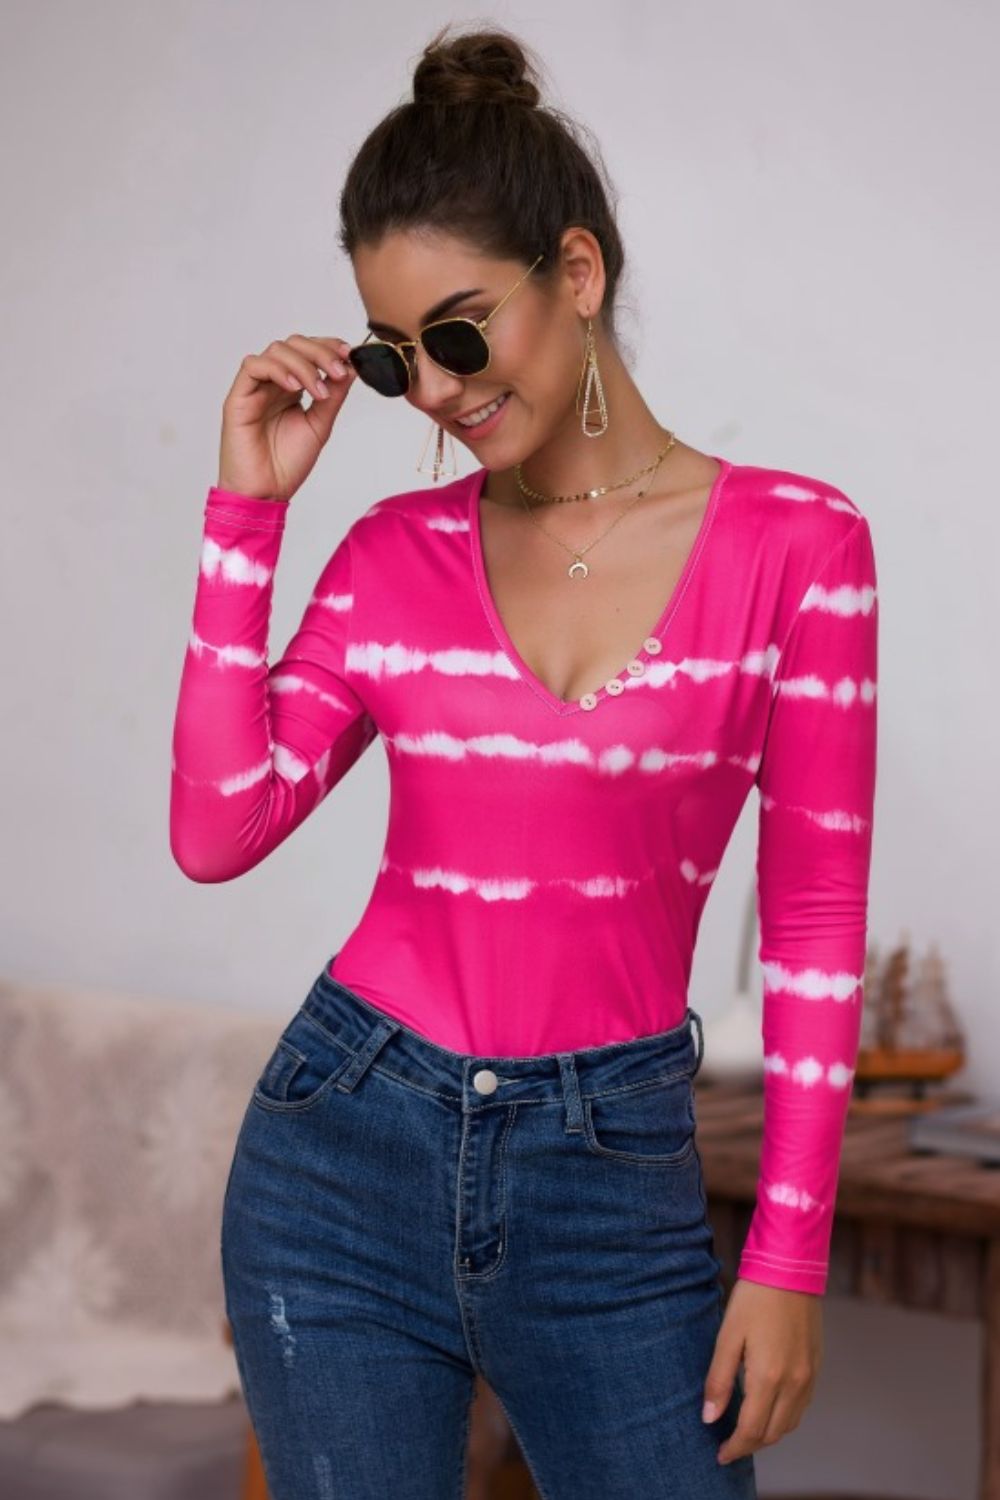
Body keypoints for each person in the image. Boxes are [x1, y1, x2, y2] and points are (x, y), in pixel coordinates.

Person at [170, 22, 878, 1500]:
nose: (433, 391)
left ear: (578, 272)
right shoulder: (390, 558)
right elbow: (217, 833)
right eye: (396, 357)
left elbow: (813, 918)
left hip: (610, 1188)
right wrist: (248, 512)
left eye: (460, 330)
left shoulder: (801, 549)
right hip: (340, 1160)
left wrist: (787, 1256)